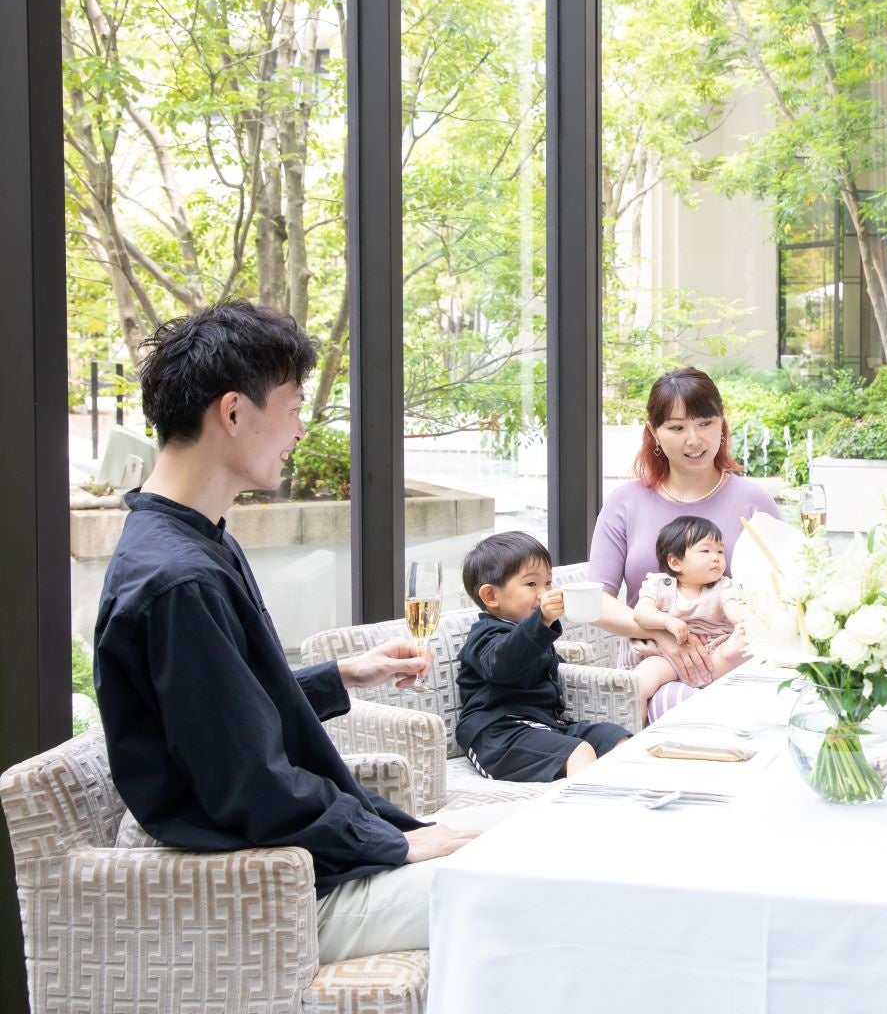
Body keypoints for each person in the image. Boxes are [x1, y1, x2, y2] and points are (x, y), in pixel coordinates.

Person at [91, 301, 488, 966]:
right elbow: (250, 784)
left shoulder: (192, 543)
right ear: (235, 413)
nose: (301, 430)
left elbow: (221, 712)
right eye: (295, 406)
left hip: (295, 861)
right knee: (558, 878)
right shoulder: (179, 579)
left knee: (557, 834)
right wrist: (393, 843)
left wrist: (341, 676)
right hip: (280, 892)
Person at [589, 366, 779, 697]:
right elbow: (595, 602)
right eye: (677, 428)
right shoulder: (625, 502)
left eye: (705, 423)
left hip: (734, 667)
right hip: (648, 666)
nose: (694, 440)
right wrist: (662, 633)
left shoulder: (754, 501)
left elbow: (784, 592)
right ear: (654, 432)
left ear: (722, 422)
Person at [455, 531, 632, 781]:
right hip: (496, 735)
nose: (543, 592)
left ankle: (630, 794)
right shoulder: (484, 634)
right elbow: (503, 665)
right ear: (491, 596)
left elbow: (545, 669)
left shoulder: (532, 631)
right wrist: (542, 621)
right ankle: (586, 808)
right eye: (531, 584)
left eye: (548, 583)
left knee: (616, 738)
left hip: (547, 726)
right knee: (579, 751)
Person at [623, 516, 752, 723]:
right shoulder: (659, 585)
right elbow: (641, 613)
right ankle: (634, 732)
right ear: (675, 562)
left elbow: (732, 607)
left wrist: (743, 620)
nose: (716, 557)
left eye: (720, 551)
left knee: (730, 652)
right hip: (666, 657)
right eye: (705, 551)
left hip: (712, 656)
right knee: (639, 682)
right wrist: (666, 621)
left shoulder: (723, 586)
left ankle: (732, 651)